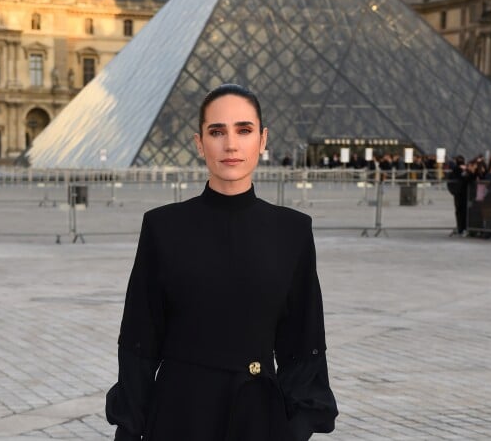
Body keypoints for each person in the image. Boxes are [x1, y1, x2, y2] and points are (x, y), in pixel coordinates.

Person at [106, 84, 338, 440]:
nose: (230, 144)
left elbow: (303, 339)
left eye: (243, 130)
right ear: (199, 143)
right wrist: (130, 425)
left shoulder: (293, 230)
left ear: (262, 140)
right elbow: (140, 337)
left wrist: (299, 426)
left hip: (260, 417)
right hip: (178, 414)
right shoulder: (162, 227)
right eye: (217, 132)